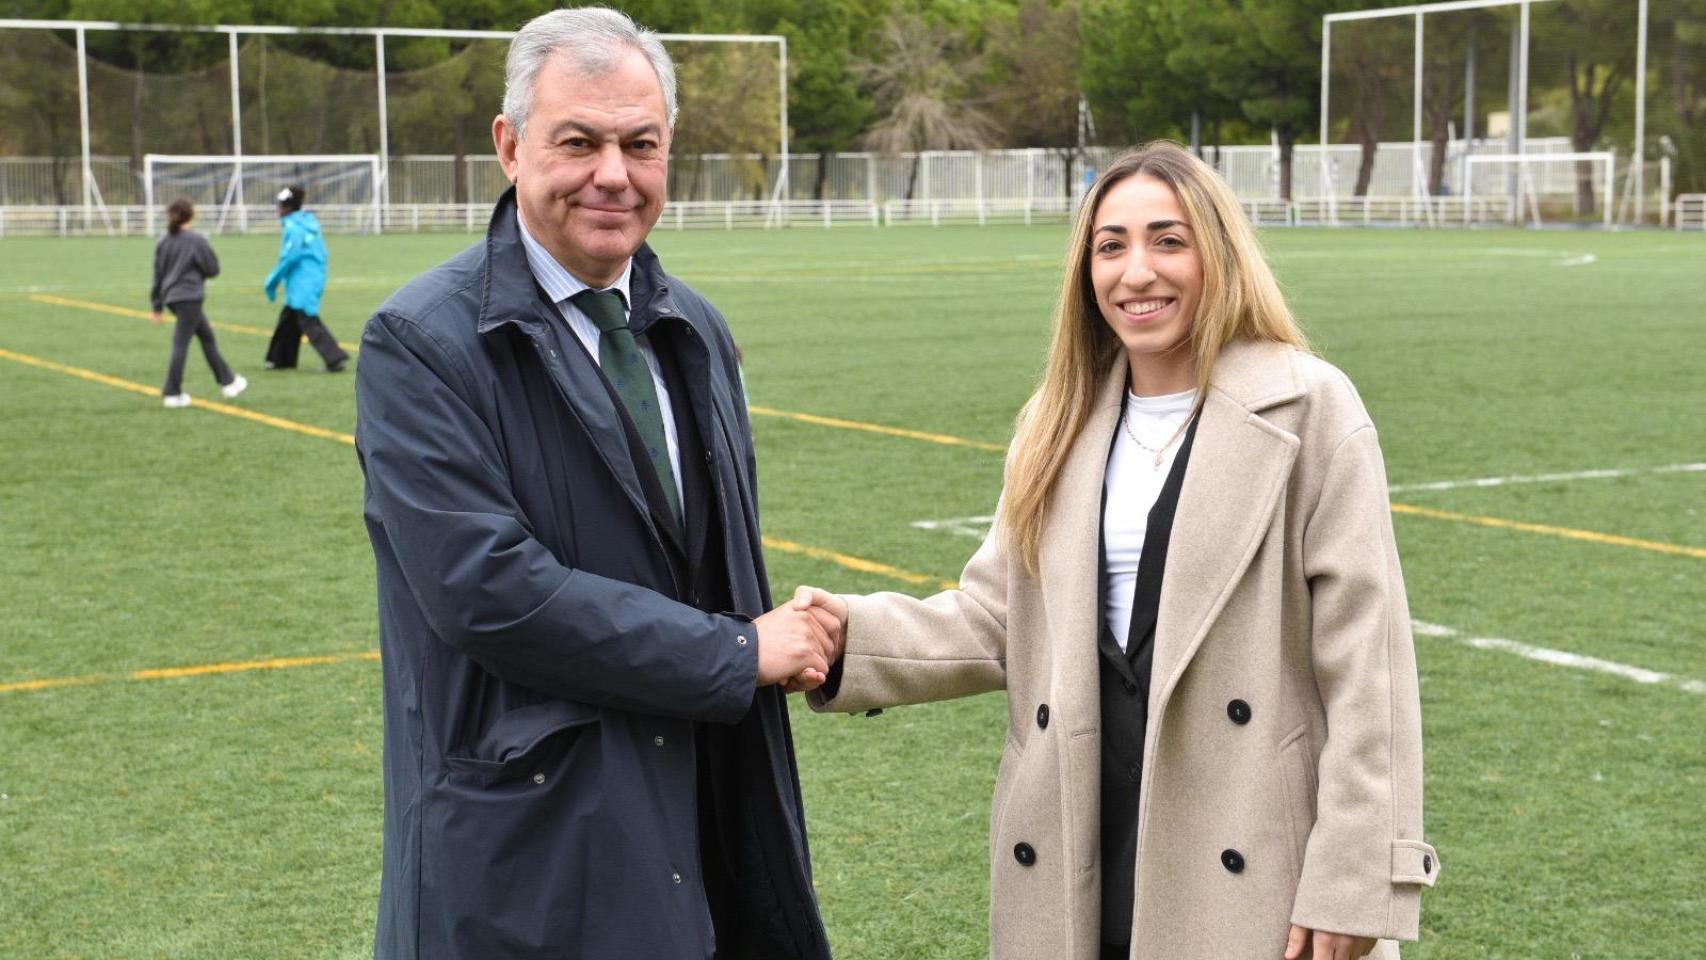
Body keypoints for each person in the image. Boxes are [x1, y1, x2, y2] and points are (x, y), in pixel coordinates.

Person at [794, 142, 1437, 960]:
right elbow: (998, 617)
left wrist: (1354, 879)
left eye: (1169, 241)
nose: (1138, 272)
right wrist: (847, 636)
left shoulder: (1308, 406)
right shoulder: (1056, 422)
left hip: (1249, 851)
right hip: (1078, 832)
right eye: (1111, 246)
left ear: (1219, 254)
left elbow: (1367, 663)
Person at [353, 9, 836, 960]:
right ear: (510, 145)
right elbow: (488, 594)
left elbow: (712, 565)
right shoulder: (420, 342)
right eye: (579, 141)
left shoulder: (692, 325)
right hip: (533, 856)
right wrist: (735, 654)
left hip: (704, 828)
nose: (613, 173)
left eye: (640, 144)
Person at [151, 197, 246, 408]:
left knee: (207, 337)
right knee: (181, 343)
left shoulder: (163, 241)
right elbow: (213, 269)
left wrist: (156, 305)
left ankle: (228, 382)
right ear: (191, 215)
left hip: (172, 298)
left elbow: (158, 276)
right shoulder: (196, 240)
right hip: (190, 297)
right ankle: (172, 393)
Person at [263, 184, 349, 372]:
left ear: (286, 207)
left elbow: (289, 257)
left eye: (279, 205)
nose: (277, 209)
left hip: (304, 280)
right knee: (289, 318)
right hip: (312, 276)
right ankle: (282, 360)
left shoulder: (294, 228)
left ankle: (334, 358)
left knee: (306, 319)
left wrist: (271, 282)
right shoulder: (308, 221)